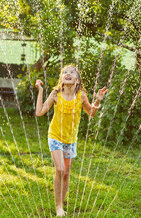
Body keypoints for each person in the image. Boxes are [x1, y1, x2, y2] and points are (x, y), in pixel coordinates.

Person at [35, 65, 107, 217]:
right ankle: (58, 207)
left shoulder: (81, 96)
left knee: (66, 174)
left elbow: (91, 113)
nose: (68, 74)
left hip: (71, 140)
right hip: (55, 136)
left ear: (77, 79)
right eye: (65, 72)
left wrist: (98, 101)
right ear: (62, 78)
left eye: (72, 72)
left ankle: (61, 202)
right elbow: (39, 112)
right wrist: (41, 91)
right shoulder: (56, 94)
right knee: (60, 170)